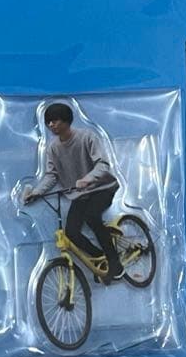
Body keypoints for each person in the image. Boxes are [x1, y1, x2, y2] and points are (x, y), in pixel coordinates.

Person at [23, 102, 123, 281]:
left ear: (67, 120)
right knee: (71, 232)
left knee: (92, 216)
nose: (51, 125)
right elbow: (52, 175)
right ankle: (100, 258)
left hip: (102, 188)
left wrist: (87, 179)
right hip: (80, 194)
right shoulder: (53, 148)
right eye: (48, 122)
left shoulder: (87, 137)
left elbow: (103, 164)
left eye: (55, 120)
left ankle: (115, 262)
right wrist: (37, 192)